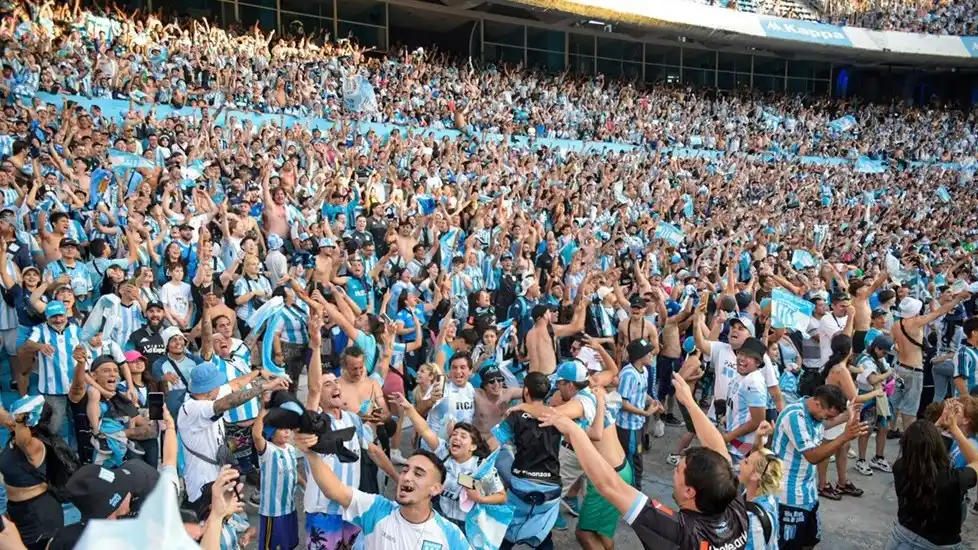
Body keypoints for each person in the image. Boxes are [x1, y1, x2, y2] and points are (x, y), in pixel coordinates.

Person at [538, 370, 752, 549]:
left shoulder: (680, 532)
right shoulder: (732, 506)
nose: (673, 471)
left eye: (679, 470)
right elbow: (718, 447)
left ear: (690, 491)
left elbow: (609, 485)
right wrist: (688, 402)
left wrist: (573, 431)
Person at [296, 431, 472, 550]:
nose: (407, 476)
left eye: (418, 473)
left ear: (435, 489)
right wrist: (311, 454)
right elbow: (335, 491)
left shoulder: (450, 534)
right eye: (405, 469)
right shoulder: (377, 509)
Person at [390, 392, 506, 532]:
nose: (456, 438)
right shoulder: (444, 453)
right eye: (454, 434)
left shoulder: (480, 467)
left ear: (473, 446)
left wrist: (480, 498)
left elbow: (501, 496)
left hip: (467, 524)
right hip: (440, 515)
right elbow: (426, 430)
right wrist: (409, 409)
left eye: (463, 436)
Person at [177, 361, 288, 504]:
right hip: (203, 481)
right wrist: (264, 387)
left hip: (219, 473)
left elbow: (235, 385)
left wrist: (258, 373)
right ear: (209, 389)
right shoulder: (192, 408)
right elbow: (228, 402)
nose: (220, 387)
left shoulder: (208, 395)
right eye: (217, 384)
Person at [773, 385, 867, 550]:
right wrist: (844, 437)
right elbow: (813, 456)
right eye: (827, 414)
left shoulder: (814, 415)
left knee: (810, 540)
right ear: (817, 404)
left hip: (807, 493)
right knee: (788, 545)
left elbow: (825, 424)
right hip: (788, 496)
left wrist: (849, 416)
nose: (827, 419)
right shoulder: (795, 416)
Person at [886, 411, 977, 550]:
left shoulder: (900, 467)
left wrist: (940, 422)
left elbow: (922, 443)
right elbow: (976, 461)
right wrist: (955, 429)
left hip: (901, 538)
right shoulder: (952, 479)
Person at [890, 292, 968, 438]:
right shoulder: (917, 322)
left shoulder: (895, 325)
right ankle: (910, 441)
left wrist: (902, 350)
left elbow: (891, 344)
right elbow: (940, 311)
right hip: (914, 370)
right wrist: (958, 298)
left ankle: (891, 429)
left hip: (899, 368)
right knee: (910, 410)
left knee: (894, 404)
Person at [20, 300, 83, 435]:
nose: (58, 320)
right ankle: (51, 451)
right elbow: (27, 345)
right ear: (47, 317)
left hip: (76, 385)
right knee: (55, 423)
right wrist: (40, 346)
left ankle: (76, 453)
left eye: (61, 315)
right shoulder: (39, 329)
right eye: (54, 317)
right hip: (52, 388)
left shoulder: (76, 329)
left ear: (66, 314)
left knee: (79, 422)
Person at [617, 338, 661, 489]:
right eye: (648, 352)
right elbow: (622, 402)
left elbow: (642, 393)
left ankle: (636, 488)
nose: (651, 354)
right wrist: (644, 413)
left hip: (639, 424)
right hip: (628, 427)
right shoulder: (628, 374)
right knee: (632, 460)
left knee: (638, 456)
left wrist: (653, 402)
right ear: (639, 355)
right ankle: (632, 490)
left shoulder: (644, 371)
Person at [853, 335, 896, 476]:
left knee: (884, 427)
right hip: (868, 397)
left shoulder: (880, 359)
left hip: (881, 397)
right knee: (867, 430)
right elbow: (872, 379)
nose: (884, 355)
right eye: (883, 352)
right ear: (877, 348)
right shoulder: (866, 360)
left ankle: (879, 457)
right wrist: (888, 374)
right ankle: (861, 460)